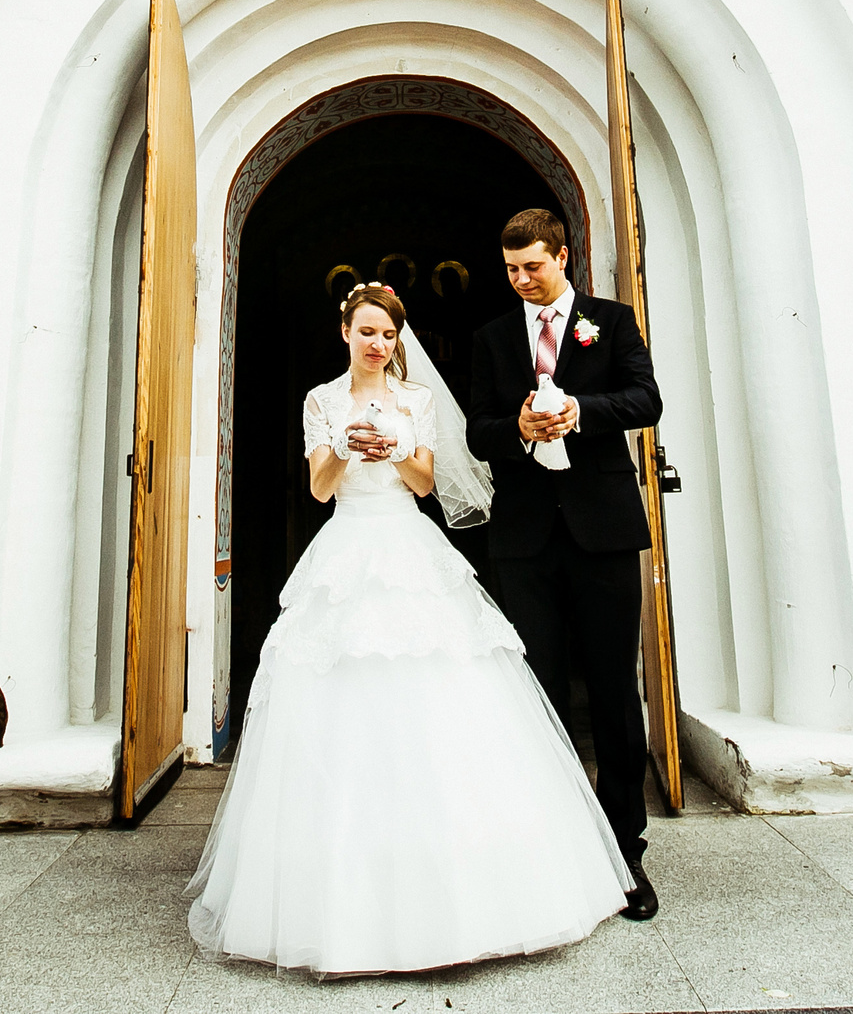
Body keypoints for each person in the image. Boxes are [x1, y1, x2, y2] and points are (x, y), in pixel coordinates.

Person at [187, 283, 628, 974]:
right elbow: (320, 488)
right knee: (344, 704)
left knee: (439, 693)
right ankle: (344, 894)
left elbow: (426, 484)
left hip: (408, 546)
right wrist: (340, 443)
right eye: (367, 332)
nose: (378, 344)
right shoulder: (320, 399)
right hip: (346, 549)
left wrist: (394, 446)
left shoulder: (418, 399)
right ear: (344, 331)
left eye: (388, 334)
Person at [468, 207, 664, 921]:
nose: (521, 279)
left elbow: (646, 399)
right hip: (524, 539)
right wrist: (515, 427)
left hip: (603, 533)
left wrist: (579, 410)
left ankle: (624, 853)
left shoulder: (609, 322)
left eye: (532, 266)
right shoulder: (492, 336)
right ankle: (547, 847)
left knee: (612, 693)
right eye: (511, 268)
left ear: (562, 256)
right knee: (539, 692)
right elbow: (477, 426)